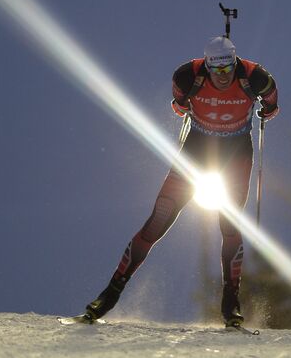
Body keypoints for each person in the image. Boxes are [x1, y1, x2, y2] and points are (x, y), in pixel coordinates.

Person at [83, 36, 279, 327]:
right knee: (157, 220)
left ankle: (231, 303)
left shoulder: (256, 77)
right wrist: (185, 106)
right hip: (197, 150)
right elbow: (178, 103)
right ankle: (109, 295)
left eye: (228, 70)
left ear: (235, 63)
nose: (223, 77)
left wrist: (267, 111)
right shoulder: (188, 76)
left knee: (230, 224)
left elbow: (272, 105)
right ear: (208, 66)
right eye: (217, 71)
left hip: (236, 152)